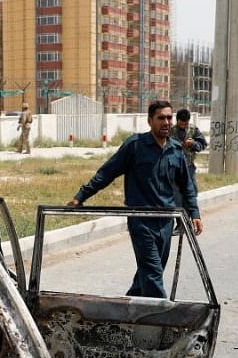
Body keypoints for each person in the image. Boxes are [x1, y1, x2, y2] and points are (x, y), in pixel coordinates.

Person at [67, 100, 203, 298]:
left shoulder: (175, 150)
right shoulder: (135, 145)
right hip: (141, 221)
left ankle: (125, 310)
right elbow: (106, 173)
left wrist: (194, 213)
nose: (166, 122)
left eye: (168, 117)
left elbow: (186, 185)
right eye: (160, 118)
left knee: (147, 275)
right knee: (153, 273)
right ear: (150, 121)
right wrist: (81, 196)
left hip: (166, 221)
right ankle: (161, 321)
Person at [168, 108, 208, 176]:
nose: (183, 126)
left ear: (188, 121)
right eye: (181, 124)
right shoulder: (170, 131)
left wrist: (193, 144)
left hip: (189, 166)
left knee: (190, 186)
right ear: (177, 120)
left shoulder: (193, 130)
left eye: (185, 124)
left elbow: (203, 144)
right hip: (173, 166)